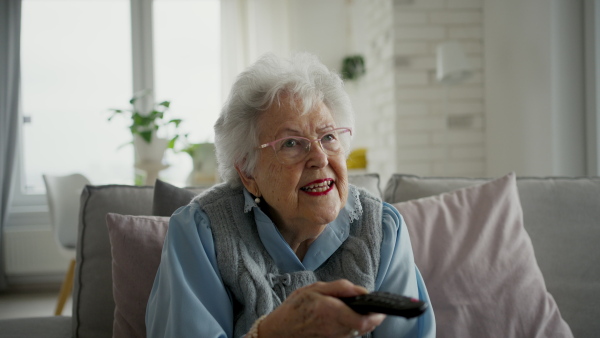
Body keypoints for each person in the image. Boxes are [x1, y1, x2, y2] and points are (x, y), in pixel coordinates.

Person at [145, 52, 435, 338]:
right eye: (291, 143)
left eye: (328, 137)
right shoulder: (202, 231)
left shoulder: (383, 228)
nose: (320, 158)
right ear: (248, 172)